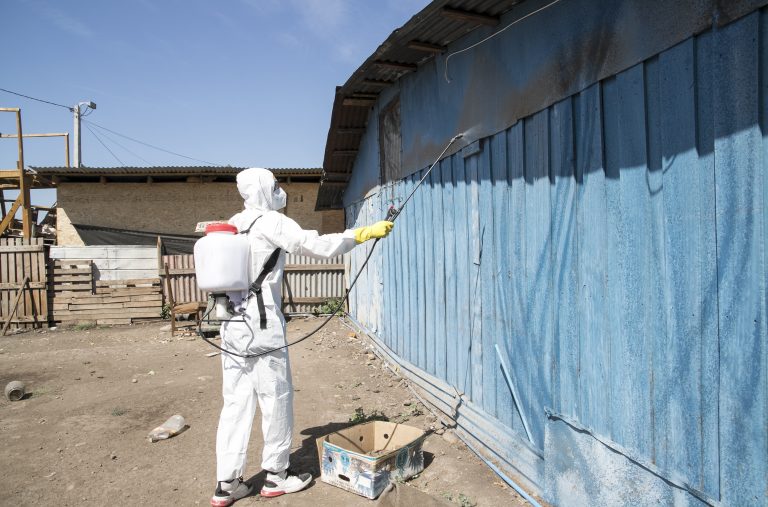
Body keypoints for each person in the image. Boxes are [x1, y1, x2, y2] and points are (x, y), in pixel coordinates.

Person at [211, 167, 393, 506]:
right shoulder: (271, 222)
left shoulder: (233, 223)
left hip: (230, 326)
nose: (281, 190)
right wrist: (362, 234)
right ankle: (277, 477)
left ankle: (227, 484)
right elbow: (318, 246)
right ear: (265, 190)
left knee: (235, 404)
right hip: (262, 326)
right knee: (275, 399)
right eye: (276, 185)